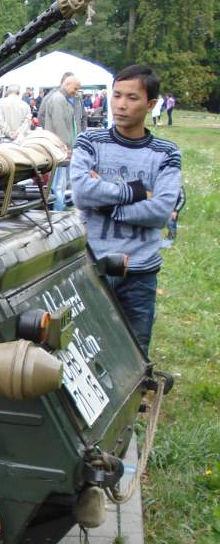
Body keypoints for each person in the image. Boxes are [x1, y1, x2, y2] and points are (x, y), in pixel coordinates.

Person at [71, 64, 181, 353]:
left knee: (135, 349)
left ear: (151, 104)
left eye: (132, 98)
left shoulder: (166, 154)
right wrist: (135, 192)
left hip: (140, 270)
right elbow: (82, 193)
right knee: (85, 345)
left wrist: (107, 205)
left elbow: (160, 212)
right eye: (117, 95)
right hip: (93, 264)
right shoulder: (89, 141)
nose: (121, 105)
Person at [39, 73, 87, 210]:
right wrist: (66, 148)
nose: (76, 92)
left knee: (60, 181)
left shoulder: (62, 99)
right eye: (75, 88)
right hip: (59, 150)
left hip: (60, 149)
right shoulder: (59, 100)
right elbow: (60, 126)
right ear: (66, 84)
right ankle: (58, 210)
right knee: (58, 183)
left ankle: (60, 207)